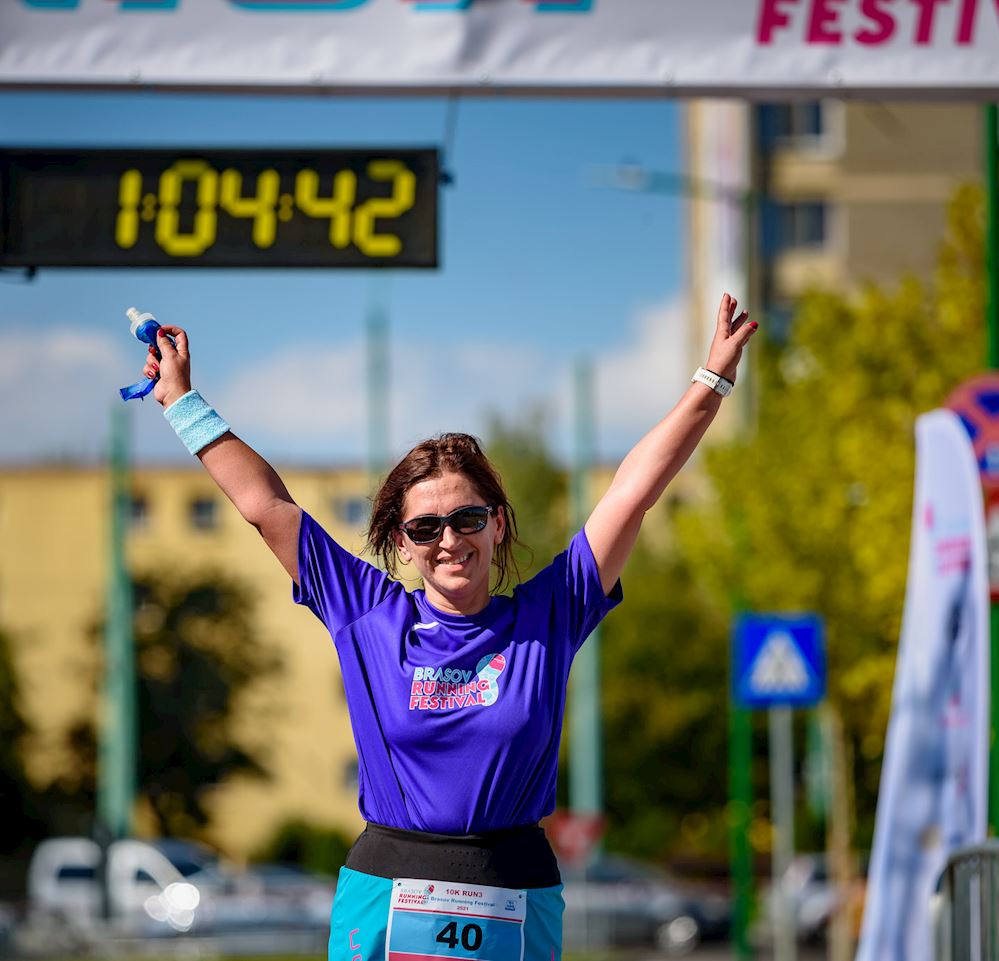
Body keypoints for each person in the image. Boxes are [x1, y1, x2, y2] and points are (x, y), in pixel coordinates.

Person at [140, 292, 756, 961]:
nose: (448, 539)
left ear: (495, 523)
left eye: (466, 518)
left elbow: (634, 489)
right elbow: (267, 507)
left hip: (513, 887)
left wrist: (711, 380)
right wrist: (180, 400)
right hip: (384, 887)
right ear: (402, 542)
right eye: (425, 527)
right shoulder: (366, 610)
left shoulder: (549, 614)